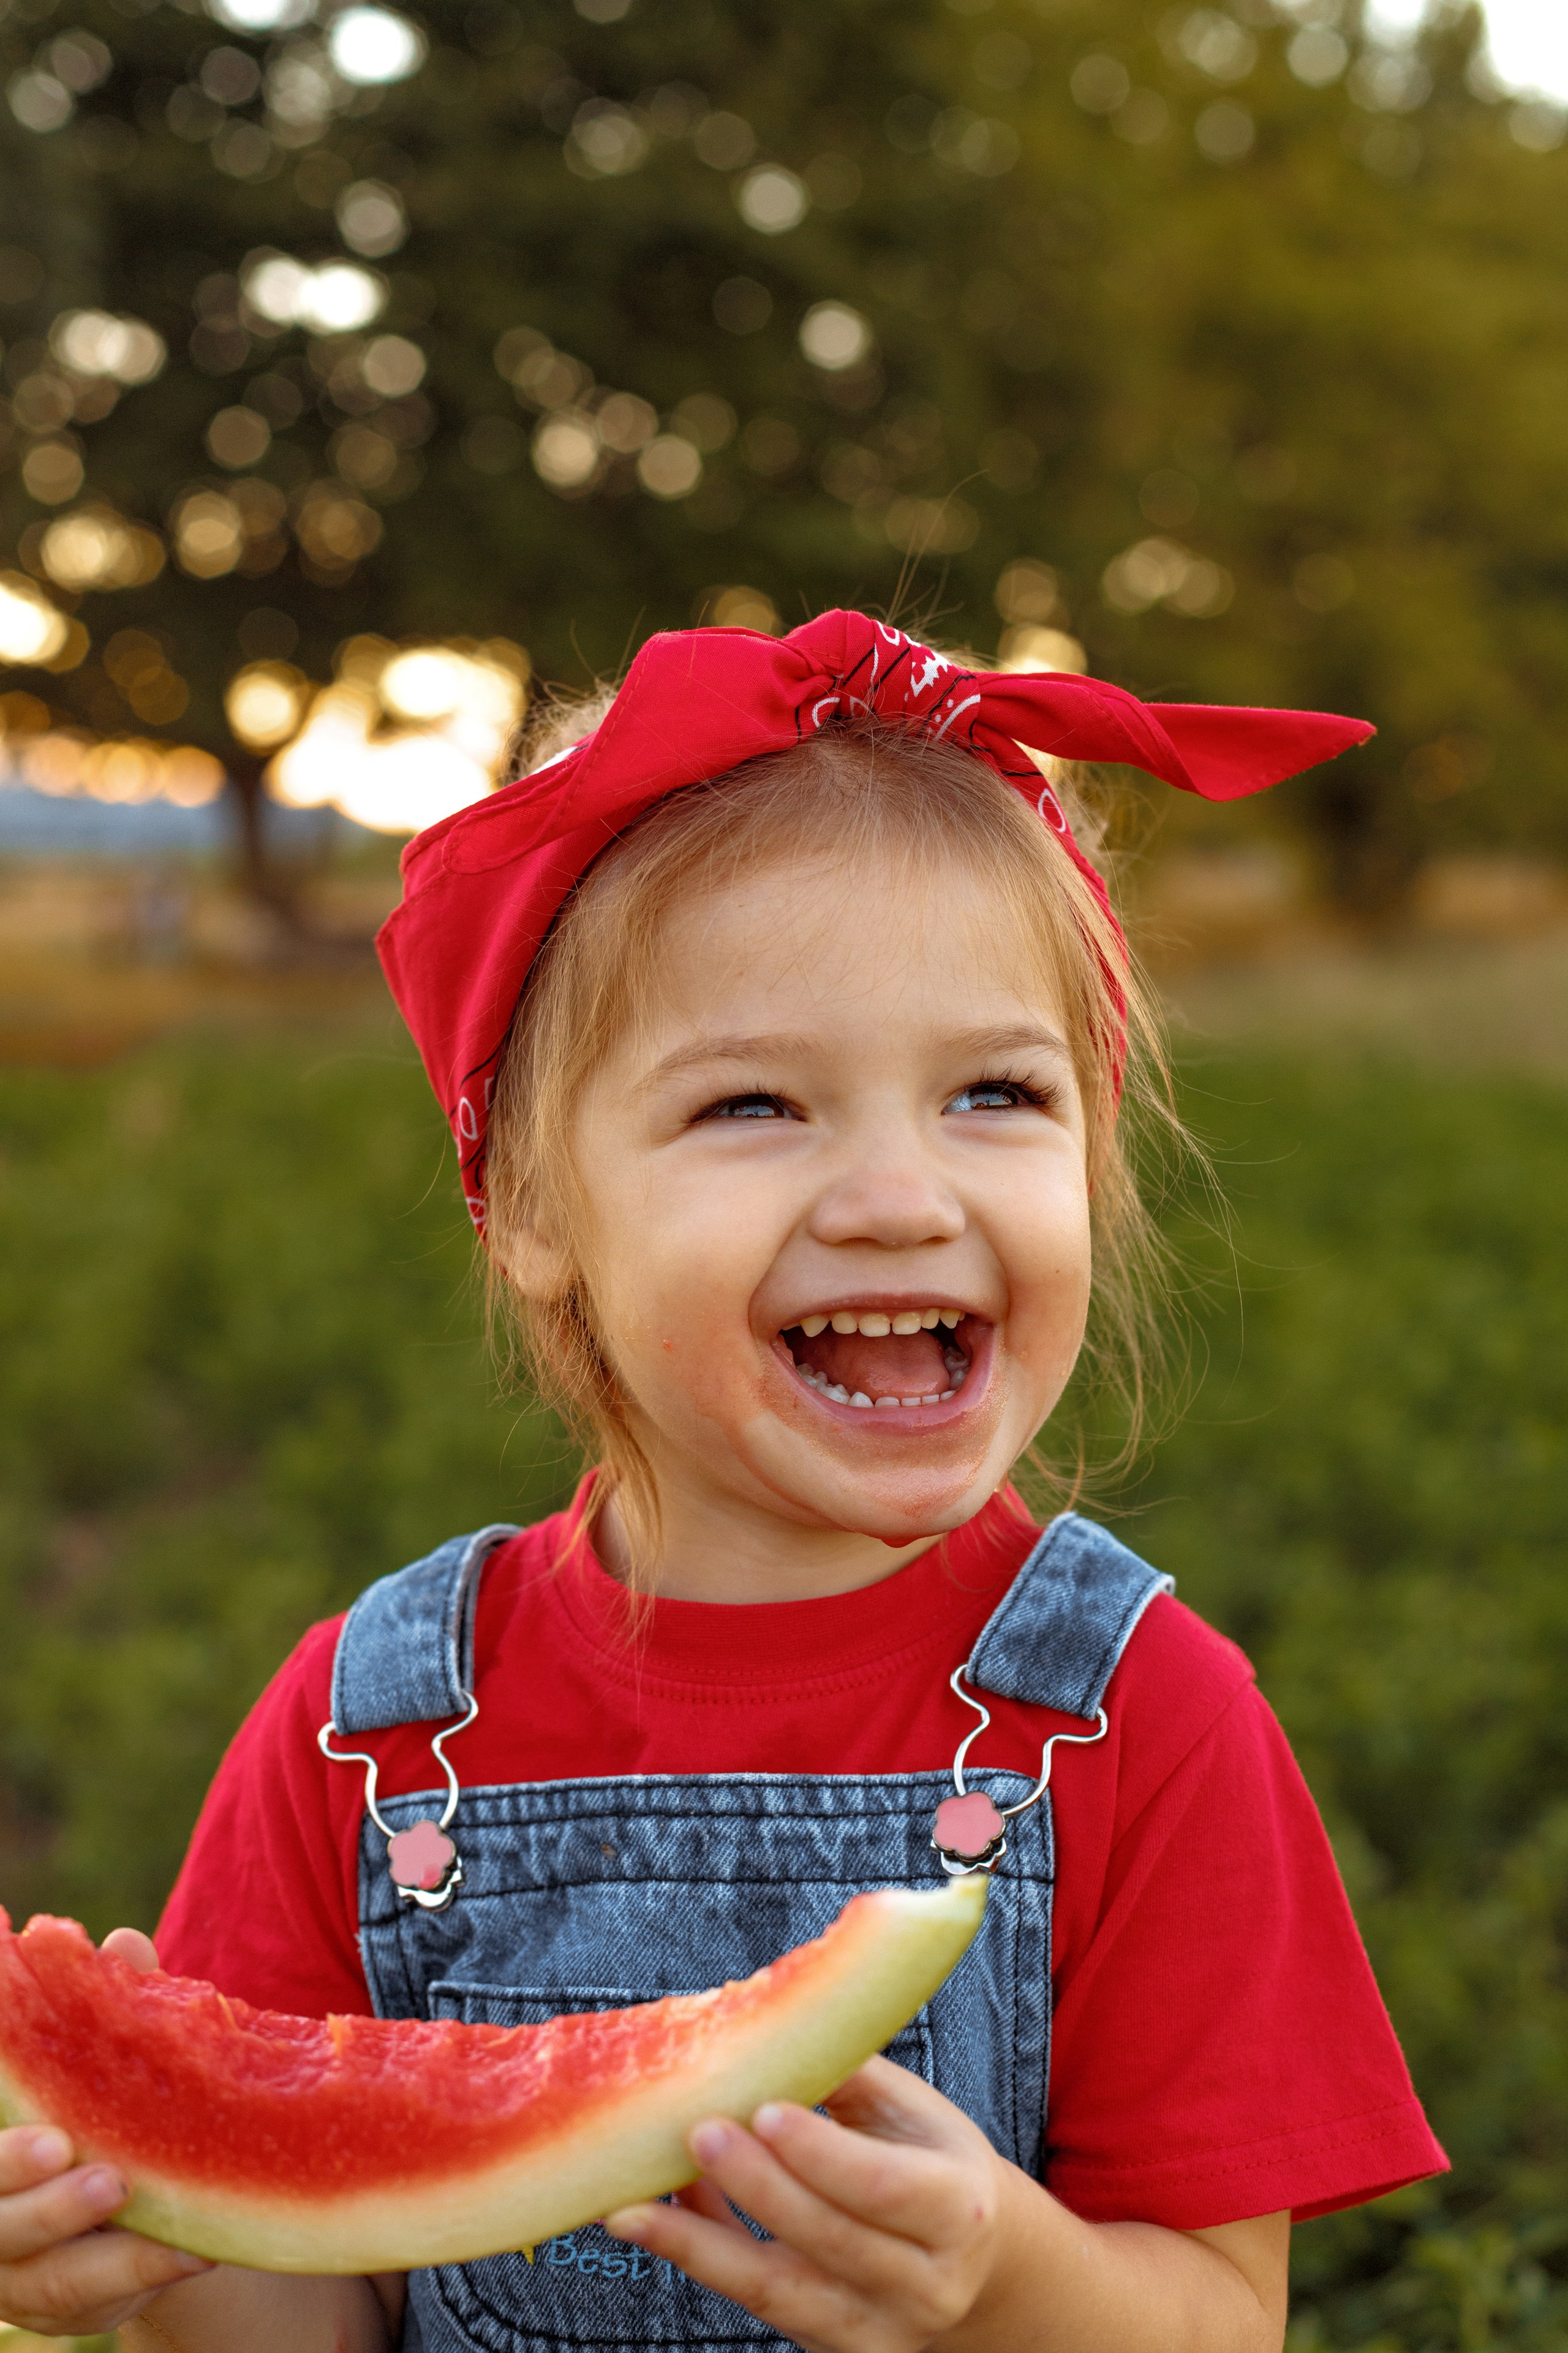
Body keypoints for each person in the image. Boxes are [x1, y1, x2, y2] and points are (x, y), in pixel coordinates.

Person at [0, 612, 1446, 2351]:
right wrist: (138, 2221)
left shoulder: (1142, 1720)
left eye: (996, 1092)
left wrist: (1004, 2280)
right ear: (535, 1210)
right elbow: (309, 2321)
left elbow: (1219, 2316)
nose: (900, 1197)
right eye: (756, 1105)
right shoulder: (367, 1735)